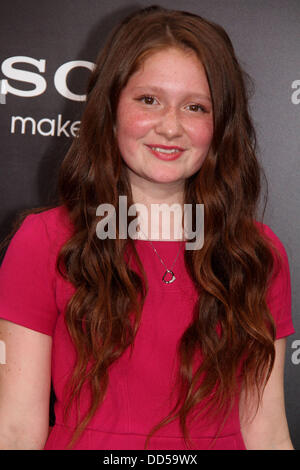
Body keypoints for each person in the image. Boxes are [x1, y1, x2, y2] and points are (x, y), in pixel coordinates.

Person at [0, 5, 295, 450]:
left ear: (220, 127)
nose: (170, 126)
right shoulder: (46, 241)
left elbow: (267, 430)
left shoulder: (255, 254)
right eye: (149, 100)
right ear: (111, 107)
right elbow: (16, 430)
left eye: (196, 107)